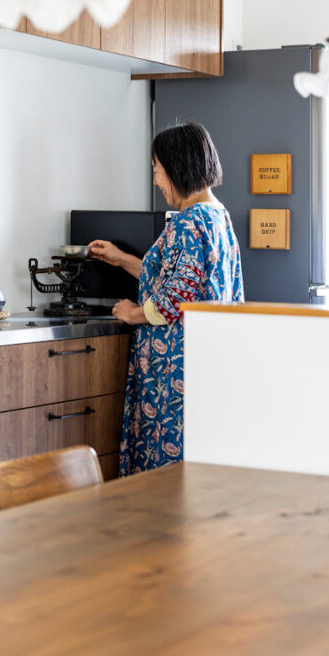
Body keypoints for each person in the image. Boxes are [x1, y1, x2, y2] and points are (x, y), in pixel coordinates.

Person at [89, 122, 243, 475]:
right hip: (206, 361)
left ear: (177, 168)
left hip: (172, 370)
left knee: (165, 475)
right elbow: (181, 279)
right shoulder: (218, 216)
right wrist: (120, 258)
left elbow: (175, 298)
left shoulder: (188, 221)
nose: (156, 182)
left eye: (157, 171)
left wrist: (132, 313)